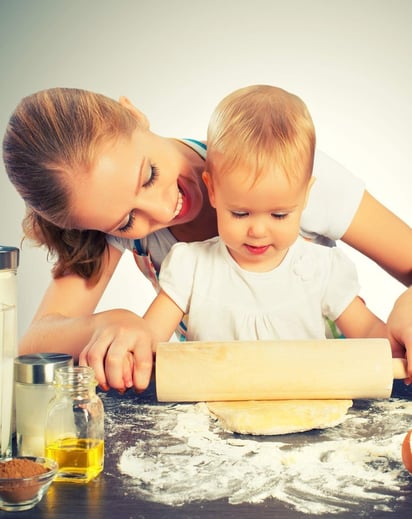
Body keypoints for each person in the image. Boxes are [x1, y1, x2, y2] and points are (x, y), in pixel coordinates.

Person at [2, 87, 412, 393]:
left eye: (149, 175)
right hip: (220, 400)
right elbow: (37, 339)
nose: (162, 210)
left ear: (135, 114)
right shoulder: (134, 238)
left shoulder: (283, 169)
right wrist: (120, 323)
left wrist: (408, 304)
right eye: (128, 220)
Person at [143, 85, 387, 345]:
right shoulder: (191, 267)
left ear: (305, 196)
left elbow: (372, 333)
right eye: (240, 213)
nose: (258, 231)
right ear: (213, 190)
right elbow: (148, 339)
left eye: (279, 215)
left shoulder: (321, 269)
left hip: (308, 387)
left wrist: (398, 345)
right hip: (216, 387)